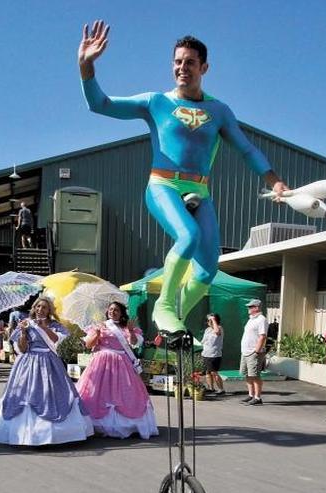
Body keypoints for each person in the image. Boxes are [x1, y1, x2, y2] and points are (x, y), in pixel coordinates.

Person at [79, 22, 288, 336]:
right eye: (177, 62)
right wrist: (86, 66)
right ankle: (164, 305)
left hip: (199, 190)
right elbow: (101, 104)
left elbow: (246, 149)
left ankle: (173, 318)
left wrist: (274, 180)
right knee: (188, 237)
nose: (182, 68)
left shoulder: (219, 111)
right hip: (163, 184)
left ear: (204, 67)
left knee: (207, 269)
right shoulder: (156, 103)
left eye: (189, 62)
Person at [0, 297, 93, 445]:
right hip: (28, 363)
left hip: (50, 362)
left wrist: (44, 327)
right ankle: (27, 435)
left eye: (44, 307)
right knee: (27, 396)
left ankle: (57, 434)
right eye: (38, 307)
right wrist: (23, 333)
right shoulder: (26, 324)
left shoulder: (55, 325)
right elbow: (22, 348)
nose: (40, 309)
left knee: (52, 395)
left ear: (49, 310)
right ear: (34, 308)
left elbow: (57, 342)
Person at [76, 301, 157, 439]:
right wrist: (96, 333)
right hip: (101, 362)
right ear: (107, 311)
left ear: (121, 313)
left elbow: (134, 343)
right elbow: (89, 345)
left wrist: (131, 331)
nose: (113, 312)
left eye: (116, 310)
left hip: (122, 362)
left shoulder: (126, 328)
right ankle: (94, 423)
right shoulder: (99, 326)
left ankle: (125, 424)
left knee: (124, 392)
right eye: (111, 309)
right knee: (97, 392)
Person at [239, 299, 268, 406]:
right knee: (247, 374)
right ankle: (251, 395)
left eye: (250, 307)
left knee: (255, 375)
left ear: (257, 308)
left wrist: (257, 351)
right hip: (245, 352)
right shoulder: (251, 319)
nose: (248, 308)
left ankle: (257, 398)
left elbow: (262, 336)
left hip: (253, 352)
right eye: (248, 307)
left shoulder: (261, 319)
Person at [201, 312, 226, 395]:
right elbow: (204, 341)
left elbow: (217, 332)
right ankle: (211, 388)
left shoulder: (219, 328)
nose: (208, 322)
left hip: (214, 355)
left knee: (214, 372)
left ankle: (221, 389)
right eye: (208, 320)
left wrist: (213, 319)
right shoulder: (207, 330)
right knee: (208, 372)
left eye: (210, 320)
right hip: (206, 354)